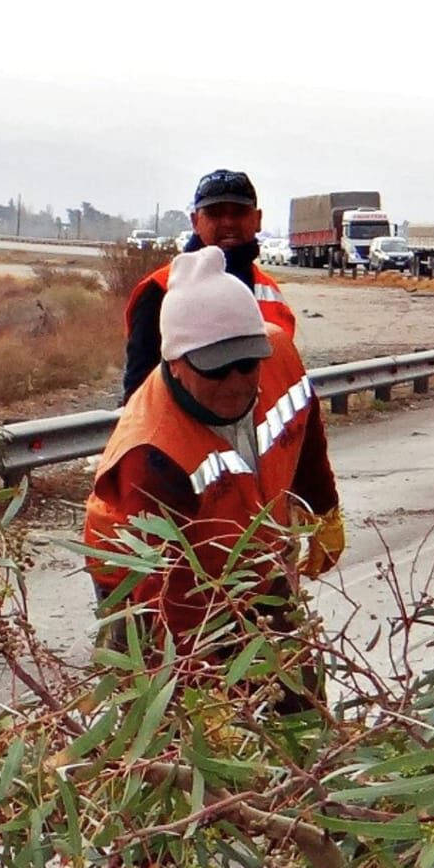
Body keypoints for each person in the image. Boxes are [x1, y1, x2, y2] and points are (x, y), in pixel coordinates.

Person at [85, 245, 344, 655]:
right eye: (216, 368)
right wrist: (202, 688)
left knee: (295, 688)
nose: (236, 381)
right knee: (178, 701)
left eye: (246, 363)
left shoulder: (278, 356)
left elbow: (303, 421)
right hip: (149, 582)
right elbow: (169, 592)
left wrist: (324, 505)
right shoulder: (151, 455)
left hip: (252, 546)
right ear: (174, 363)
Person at [123, 169, 295, 400]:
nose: (228, 222)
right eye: (215, 213)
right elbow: (140, 395)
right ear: (195, 221)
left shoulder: (270, 290)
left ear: (258, 219)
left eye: (239, 212)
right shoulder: (161, 291)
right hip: (192, 435)